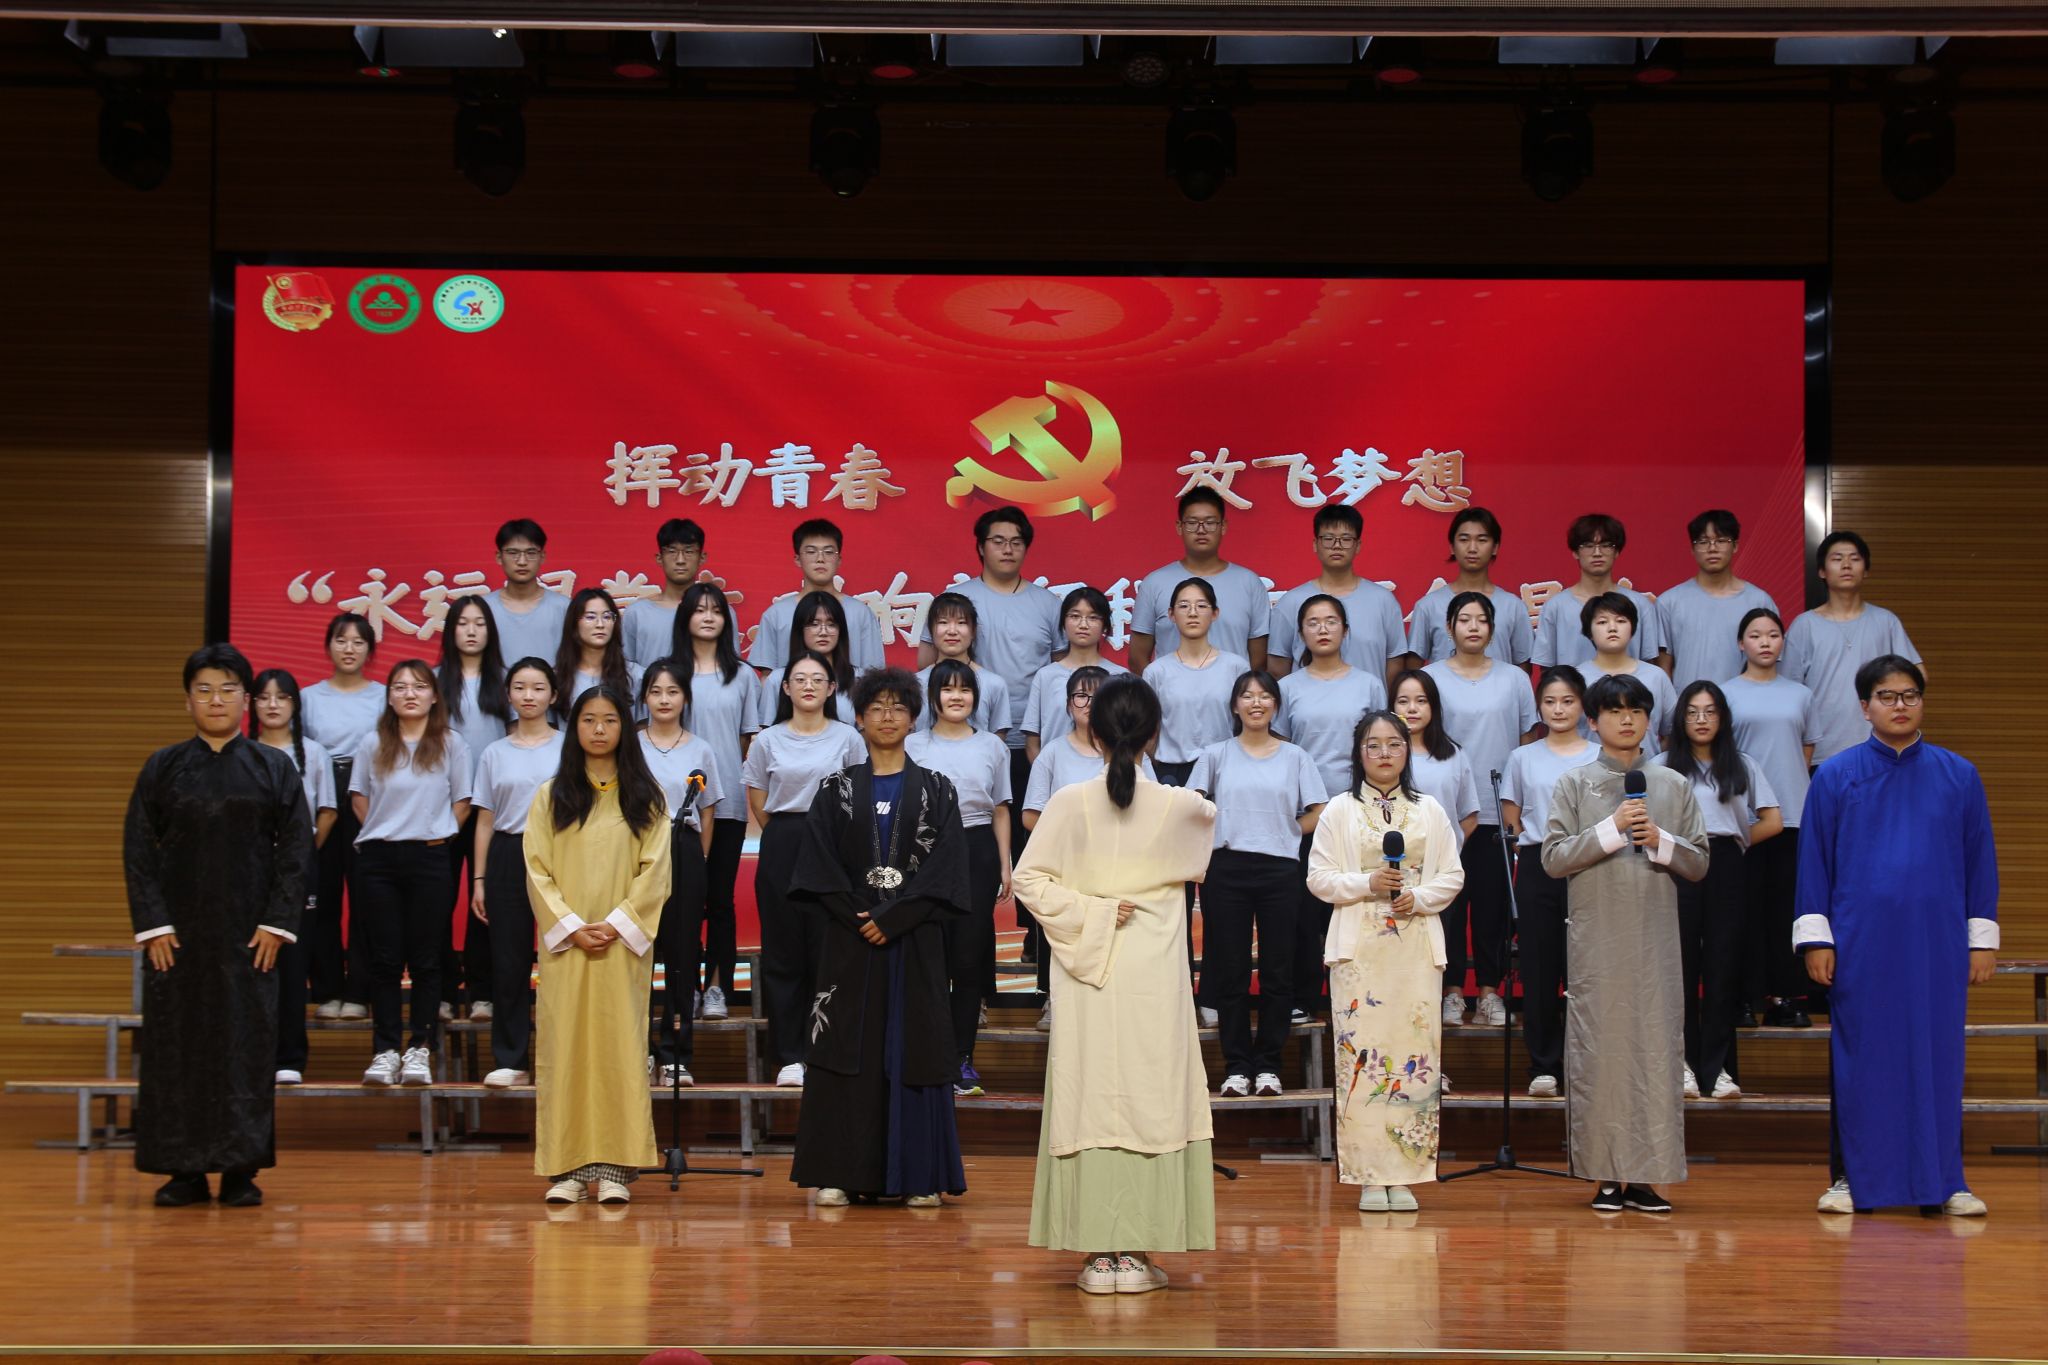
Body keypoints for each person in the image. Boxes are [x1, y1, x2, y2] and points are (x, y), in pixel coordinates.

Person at [1013, 676, 1218, 1294]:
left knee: (1091, 1090)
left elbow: (1029, 881)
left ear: (1093, 733)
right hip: (1153, 969)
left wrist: (1090, 911)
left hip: (1089, 969)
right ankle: (1136, 1254)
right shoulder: (1184, 806)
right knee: (1155, 1090)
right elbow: (1202, 843)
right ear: (1154, 734)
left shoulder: (1069, 800)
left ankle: (1100, 1256)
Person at [1798, 656, 1998, 1217]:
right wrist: (1816, 939)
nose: (1900, 705)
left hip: (1937, 944)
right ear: (1865, 707)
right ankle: (1850, 1180)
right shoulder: (1835, 776)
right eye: (1886, 696)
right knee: (1861, 1058)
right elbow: (1813, 862)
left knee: (1938, 1059)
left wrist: (1981, 939)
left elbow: (1980, 860)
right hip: (1860, 943)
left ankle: (1946, 1182)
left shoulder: (1959, 775)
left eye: (1910, 695)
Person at [126, 644, 313, 1208]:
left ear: (246, 701)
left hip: (250, 937)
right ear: (188, 701)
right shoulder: (163, 766)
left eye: (228, 689)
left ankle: (239, 1169)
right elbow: (139, 850)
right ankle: (182, 1171)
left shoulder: (272, 766)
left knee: (246, 1048)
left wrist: (277, 924)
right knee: (175, 1048)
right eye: (204, 690)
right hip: (177, 940)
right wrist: (154, 925)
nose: (216, 700)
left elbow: (296, 851)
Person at [787, 668, 972, 1208]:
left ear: (914, 720)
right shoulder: (835, 789)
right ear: (859, 719)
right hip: (849, 942)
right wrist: (861, 917)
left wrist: (895, 919)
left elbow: (948, 870)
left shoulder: (938, 789)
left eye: (898, 707)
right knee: (846, 1045)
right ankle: (839, 1172)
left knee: (915, 1047)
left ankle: (920, 1175)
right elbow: (818, 867)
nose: (887, 717)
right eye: (877, 707)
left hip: (915, 943)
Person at [1541, 673, 1707, 1214]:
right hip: (1597, 940)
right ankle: (1605, 1176)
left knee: (1655, 1054)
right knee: (1601, 1054)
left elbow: (1700, 863)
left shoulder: (1673, 785)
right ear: (1593, 721)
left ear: (1649, 719)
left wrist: (1661, 839)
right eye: (1614, 711)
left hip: (1655, 943)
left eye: (1636, 710)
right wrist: (1612, 828)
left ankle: (1647, 1177)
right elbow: (1553, 858)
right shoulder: (1575, 783)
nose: (1626, 719)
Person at [1306, 710, 1466, 1212]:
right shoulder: (1338, 810)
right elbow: (1318, 878)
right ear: (1359, 753)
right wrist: (1367, 883)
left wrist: (1418, 897)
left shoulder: (1429, 810)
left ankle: (1407, 1174)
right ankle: (1369, 1176)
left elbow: (1452, 875)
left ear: (1407, 750)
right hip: (1359, 952)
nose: (1383, 753)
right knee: (1361, 1060)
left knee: (1415, 1056)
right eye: (1373, 745)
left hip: (1414, 947)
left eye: (1394, 744)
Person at [525, 684, 673, 1205]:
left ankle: (614, 1170)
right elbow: (536, 869)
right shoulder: (551, 795)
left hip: (620, 948)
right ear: (575, 728)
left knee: (618, 1051)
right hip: (567, 948)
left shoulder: (646, 796)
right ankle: (567, 1169)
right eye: (588, 720)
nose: (599, 730)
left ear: (623, 728)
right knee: (565, 1049)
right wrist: (569, 925)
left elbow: (656, 872)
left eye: (609, 720)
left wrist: (615, 924)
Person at [1189, 671, 1325, 1097]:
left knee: (1277, 970)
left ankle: (1268, 1065)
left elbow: (1319, 810)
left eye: (1265, 696)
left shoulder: (1296, 757)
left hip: (1280, 869)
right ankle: (1236, 1066)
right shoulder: (1215, 755)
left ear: (1275, 706)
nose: (1256, 703)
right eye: (1247, 696)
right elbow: (1191, 806)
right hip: (1225, 868)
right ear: (1235, 706)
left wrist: (1287, 831)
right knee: (1229, 970)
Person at [741, 650, 870, 1085]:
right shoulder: (767, 740)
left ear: (832, 689)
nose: (809, 685)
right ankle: (789, 1055)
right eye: (800, 679)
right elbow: (759, 799)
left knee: (828, 949)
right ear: (785, 688)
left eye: (818, 679)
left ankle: (825, 1050)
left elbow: (858, 796)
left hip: (834, 845)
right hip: (784, 841)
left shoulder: (848, 738)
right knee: (783, 953)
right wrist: (790, 834)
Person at [348, 659, 473, 1087]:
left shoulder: (451, 743)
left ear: (434, 696)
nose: (409, 694)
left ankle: (420, 1047)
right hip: (378, 861)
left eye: (419, 686)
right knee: (384, 960)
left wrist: (437, 832)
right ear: (389, 697)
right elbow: (359, 798)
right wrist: (387, 829)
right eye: (399, 687)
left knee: (426, 959)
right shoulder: (373, 742)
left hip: (430, 859)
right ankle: (385, 1050)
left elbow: (463, 801)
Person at [1657, 680, 1782, 1101]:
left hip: (1726, 863)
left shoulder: (1742, 764)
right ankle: (1683, 1066)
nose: (1701, 719)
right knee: (1680, 967)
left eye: (1710, 711)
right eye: (1693, 712)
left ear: (1723, 718)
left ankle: (1720, 1070)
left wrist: (1737, 842)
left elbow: (1773, 820)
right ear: (1680, 718)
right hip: (1676, 863)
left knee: (1723, 966)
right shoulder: (1662, 766)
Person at [1422, 592, 1538, 1028]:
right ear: (1448, 627)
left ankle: (1489, 992)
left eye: (1482, 620)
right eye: (1464, 619)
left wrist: (1519, 806)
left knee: (1492, 907)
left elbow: (1526, 745)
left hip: (1494, 810)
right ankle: (1452, 992)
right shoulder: (1430, 678)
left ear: (1492, 629)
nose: (1473, 627)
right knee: (1447, 906)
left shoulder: (1514, 679)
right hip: (1442, 812)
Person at [915, 505, 1062, 848]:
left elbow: (1059, 675)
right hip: (968, 738)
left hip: (1029, 743)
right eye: (998, 541)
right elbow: (928, 664)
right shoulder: (957, 601)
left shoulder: (1048, 604)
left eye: (1016, 542)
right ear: (981, 547)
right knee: (966, 833)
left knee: (1031, 838)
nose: (1008, 549)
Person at [1020, 667, 1158, 1030]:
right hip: (1070, 865)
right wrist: (1075, 835)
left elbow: (1152, 807)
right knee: (1063, 927)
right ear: (1069, 705)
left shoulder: (1137, 757)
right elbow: (1031, 816)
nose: (1088, 703)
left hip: (1123, 864)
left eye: (1097, 697)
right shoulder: (1052, 753)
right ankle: (1053, 998)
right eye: (1080, 696)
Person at [1277, 597, 1391, 1023]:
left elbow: (1380, 747)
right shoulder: (1288, 687)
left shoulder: (1368, 685)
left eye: (1331, 622)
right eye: (1313, 623)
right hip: (1308, 814)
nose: (1322, 629)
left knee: (1359, 906)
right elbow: (1281, 751)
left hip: (1359, 810)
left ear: (1345, 629)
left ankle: (1362, 997)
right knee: (1305, 912)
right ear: (1301, 633)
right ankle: (1303, 997)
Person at [905, 660, 1014, 1096]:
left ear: (975, 697)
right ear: (933, 698)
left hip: (976, 849)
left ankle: (962, 1059)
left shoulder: (993, 746)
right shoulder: (912, 744)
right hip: (922, 850)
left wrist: (1004, 863)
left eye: (964, 689)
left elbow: (1001, 808)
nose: (956, 696)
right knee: (926, 957)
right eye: (947, 689)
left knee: (968, 961)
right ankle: (926, 1056)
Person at [1498, 666, 1598, 1097]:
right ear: (1539, 707)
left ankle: (1587, 1064)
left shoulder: (1600, 754)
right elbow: (1511, 811)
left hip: (1592, 864)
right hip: (1539, 863)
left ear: (1583, 706)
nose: (1559, 709)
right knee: (1539, 970)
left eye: (1568, 701)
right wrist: (1527, 847)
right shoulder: (1523, 756)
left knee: (1587, 971)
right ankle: (1543, 1066)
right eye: (1550, 702)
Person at [469, 657, 564, 1087]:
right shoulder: (494, 752)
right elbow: (485, 820)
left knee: (562, 956)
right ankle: (511, 1059)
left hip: (560, 853)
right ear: (508, 694)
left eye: (538, 688)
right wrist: (479, 879)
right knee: (508, 961)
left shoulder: (569, 748)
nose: (529, 696)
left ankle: (560, 1058)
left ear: (553, 695)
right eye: (520, 687)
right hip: (508, 852)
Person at [1722, 608, 1819, 1028]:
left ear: (1783, 643)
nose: (1765, 642)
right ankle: (1743, 998)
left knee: (1784, 910)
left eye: (1773, 634)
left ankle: (1784, 997)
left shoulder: (1801, 694)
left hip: (1792, 815)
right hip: (1741, 818)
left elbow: (1807, 750)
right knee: (1740, 911)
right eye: (1755, 634)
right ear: (1741, 643)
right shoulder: (1725, 694)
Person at [669, 582, 761, 1021]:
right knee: (681, 903)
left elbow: (746, 740)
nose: (708, 617)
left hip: (726, 805)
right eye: (699, 610)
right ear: (685, 618)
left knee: (720, 900)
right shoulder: (670, 673)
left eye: (716, 611)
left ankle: (717, 987)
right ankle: (683, 986)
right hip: (677, 807)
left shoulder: (741, 675)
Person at [249, 669, 338, 1086]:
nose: (272, 705)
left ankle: (289, 1056)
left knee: (292, 960)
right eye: (263, 697)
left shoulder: (313, 753)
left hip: (299, 867)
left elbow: (327, 811)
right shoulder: (241, 752)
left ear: (295, 705)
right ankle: (250, 1054)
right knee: (249, 961)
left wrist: (298, 855)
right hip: (248, 869)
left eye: (281, 697)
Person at [638, 661, 722, 1086]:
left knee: (682, 954)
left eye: (672, 691)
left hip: (684, 849)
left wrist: (698, 858)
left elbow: (708, 813)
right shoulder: (630, 746)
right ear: (645, 698)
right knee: (636, 951)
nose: (664, 699)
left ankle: (675, 1054)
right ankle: (638, 1051)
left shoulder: (701, 749)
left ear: (685, 698)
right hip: (637, 852)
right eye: (656, 691)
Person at [301, 612, 383, 1020]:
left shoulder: (383, 695)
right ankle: (327, 989)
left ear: (370, 650)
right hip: (322, 795)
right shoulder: (308, 697)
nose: (349, 649)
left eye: (358, 642)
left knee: (366, 896)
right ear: (328, 646)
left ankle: (359, 992)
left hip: (369, 793)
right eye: (341, 640)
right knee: (323, 895)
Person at [1783, 531, 1923, 765]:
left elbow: (1918, 676)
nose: (1846, 565)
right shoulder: (1804, 625)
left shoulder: (1886, 621)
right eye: (1837, 559)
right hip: (1821, 750)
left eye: (1855, 559)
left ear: (1866, 570)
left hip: (1880, 746)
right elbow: (1787, 690)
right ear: (1822, 571)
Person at [436, 596, 510, 1022]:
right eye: (462, 623)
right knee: (439, 902)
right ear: (450, 630)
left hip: (493, 809)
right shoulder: (433, 682)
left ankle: (483, 992)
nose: (470, 630)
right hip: (443, 808)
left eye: (479, 623)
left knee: (486, 901)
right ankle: (443, 991)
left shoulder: (506, 681)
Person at [1127, 487, 1270, 673]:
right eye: (1192, 523)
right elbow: (1137, 658)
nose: (1201, 530)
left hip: (1233, 690)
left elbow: (1259, 660)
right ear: (1179, 527)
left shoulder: (1249, 583)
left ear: (1223, 526)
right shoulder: (1154, 583)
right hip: (1170, 692)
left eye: (1210, 523)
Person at [1266, 505, 1406, 688]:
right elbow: (1277, 668)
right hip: (1308, 705)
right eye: (1328, 539)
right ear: (1315, 544)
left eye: (1346, 539)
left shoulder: (1383, 601)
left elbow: (1395, 663)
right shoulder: (1291, 602)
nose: (1337, 545)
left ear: (1358, 545)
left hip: (1369, 705)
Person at [1143, 578, 1250, 787]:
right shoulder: (1156, 672)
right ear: (1171, 614)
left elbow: (1246, 725)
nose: (1192, 613)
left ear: (1215, 613)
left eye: (1201, 606)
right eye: (1184, 606)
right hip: (1172, 774)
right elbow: (1147, 731)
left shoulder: (1236, 667)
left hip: (1224, 770)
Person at [746, 517, 888, 672]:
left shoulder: (861, 613)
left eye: (828, 552)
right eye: (811, 552)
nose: (820, 559)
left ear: (839, 559)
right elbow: (768, 676)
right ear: (798, 559)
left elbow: (874, 676)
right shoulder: (775, 615)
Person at [1655, 510, 1777, 686]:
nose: (1712, 548)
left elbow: (1772, 665)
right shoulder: (1669, 603)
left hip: (1744, 702)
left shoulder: (1759, 602)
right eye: (1703, 542)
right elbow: (1663, 668)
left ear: (1735, 546)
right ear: (1692, 549)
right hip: (1688, 702)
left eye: (1721, 541)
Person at [1533, 514, 1668, 671]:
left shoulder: (1640, 605)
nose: (1597, 552)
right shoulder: (1555, 607)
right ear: (1575, 552)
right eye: (1588, 545)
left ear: (1616, 551)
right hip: (1573, 687)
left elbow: (1649, 665)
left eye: (1606, 545)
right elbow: (1547, 670)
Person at [1406, 508, 1535, 668]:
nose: (1472, 548)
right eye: (1464, 539)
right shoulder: (1428, 606)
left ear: (1495, 547)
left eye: (1482, 540)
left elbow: (1523, 667)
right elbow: (1413, 668)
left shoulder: (1513, 607)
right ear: (1452, 547)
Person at [1022, 587, 1129, 760]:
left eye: (1093, 617)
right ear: (1063, 623)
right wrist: (1044, 773)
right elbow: (1033, 742)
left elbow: (1128, 735)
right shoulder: (1045, 676)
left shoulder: (1120, 676)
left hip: (1105, 772)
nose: (1083, 625)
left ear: (1105, 625)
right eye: (1075, 616)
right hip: (1056, 772)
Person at [1388, 670, 1482, 853]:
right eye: (1403, 701)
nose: (1412, 709)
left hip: (1441, 860)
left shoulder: (1454, 755)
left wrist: (1448, 850)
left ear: (1434, 706)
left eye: (1421, 701)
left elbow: (1469, 817)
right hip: (1389, 861)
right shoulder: (1379, 755)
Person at [1576, 593, 1678, 755]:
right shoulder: (1576, 679)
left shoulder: (1656, 677)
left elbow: (1672, 733)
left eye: (1621, 621)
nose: (1612, 628)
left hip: (1646, 769)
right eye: (1602, 622)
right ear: (1589, 631)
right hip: (1591, 770)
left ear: (1632, 628)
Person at [913, 591, 1011, 738]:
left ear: (973, 631)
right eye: (943, 622)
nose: (952, 631)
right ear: (931, 630)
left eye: (961, 623)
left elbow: (997, 743)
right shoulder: (915, 684)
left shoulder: (994, 684)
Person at [759, 590, 860, 726]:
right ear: (800, 629)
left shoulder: (859, 678)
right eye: (814, 624)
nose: (823, 632)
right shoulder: (777, 680)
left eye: (831, 624)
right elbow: (766, 732)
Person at [484, 518, 571, 670]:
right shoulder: (484, 608)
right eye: (513, 553)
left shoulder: (564, 607)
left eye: (531, 553)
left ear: (542, 557)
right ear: (499, 557)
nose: (522, 561)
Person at [623, 517, 707, 667]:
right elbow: (624, 669)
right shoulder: (637, 613)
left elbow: (731, 668)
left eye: (688, 551)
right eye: (672, 551)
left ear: (702, 557)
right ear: (659, 558)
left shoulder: (718, 613)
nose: (680, 560)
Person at [553, 587, 642, 722]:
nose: (600, 624)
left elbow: (643, 727)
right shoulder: (557, 677)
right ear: (574, 623)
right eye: (590, 617)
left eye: (607, 617)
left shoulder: (636, 675)